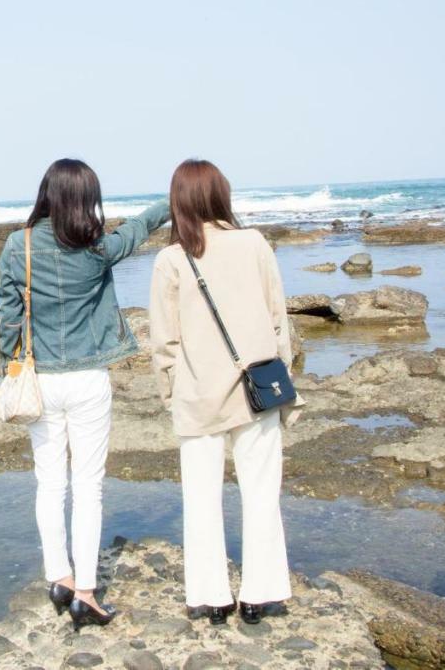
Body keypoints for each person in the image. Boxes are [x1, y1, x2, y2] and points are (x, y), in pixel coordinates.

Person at [0, 159, 169, 630]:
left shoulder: (19, 245)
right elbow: (139, 229)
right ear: (85, 199)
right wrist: (172, 201)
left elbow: (8, 315)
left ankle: (60, 578)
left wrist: (8, 368)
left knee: (49, 483)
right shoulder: (96, 249)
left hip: (41, 380)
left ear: (47, 193)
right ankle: (87, 593)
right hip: (89, 379)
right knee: (88, 486)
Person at [148, 159, 303, 626]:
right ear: (221, 195)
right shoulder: (254, 243)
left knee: (200, 499)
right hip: (256, 390)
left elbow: (163, 341)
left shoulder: (172, 258)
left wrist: (169, 392)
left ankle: (210, 597)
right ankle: (262, 593)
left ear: (178, 202)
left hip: (197, 396)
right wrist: (283, 378)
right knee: (261, 493)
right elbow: (279, 319)